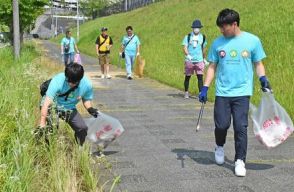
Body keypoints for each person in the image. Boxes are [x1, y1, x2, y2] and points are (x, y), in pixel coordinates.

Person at [198, 8, 272, 177]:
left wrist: (263, 79)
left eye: (224, 27)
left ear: (234, 24)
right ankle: (219, 146)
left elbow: (258, 63)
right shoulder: (217, 43)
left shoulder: (252, 41)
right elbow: (212, 66)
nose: (222, 30)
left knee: (241, 127)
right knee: (222, 125)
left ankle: (240, 160)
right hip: (222, 92)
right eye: (220, 28)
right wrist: (205, 87)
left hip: (242, 92)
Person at [37, 63, 98, 146]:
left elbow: (86, 99)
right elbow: (46, 103)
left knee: (82, 128)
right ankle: (48, 148)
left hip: (69, 108)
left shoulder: (87, 85)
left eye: (74, 82)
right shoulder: (58, 80)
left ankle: (79, 147)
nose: (70, 84)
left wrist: (90, 108)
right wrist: (42, 122)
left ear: (80, 79)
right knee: (53, 126)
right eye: (68, 81)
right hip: (52, 104)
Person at [182, 19, 207, 99]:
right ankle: (186, 92)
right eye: (195, 27)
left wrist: (204, 59)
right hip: (189, 60)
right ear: (192, 28)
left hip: (199, 60)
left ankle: (200, 93)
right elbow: (184, 47)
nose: (197, 29)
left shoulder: (202, 37)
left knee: (200, 77)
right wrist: (187, 55)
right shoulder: (188, 37)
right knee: (188, 76)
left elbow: (203, 48)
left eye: (198, 27)